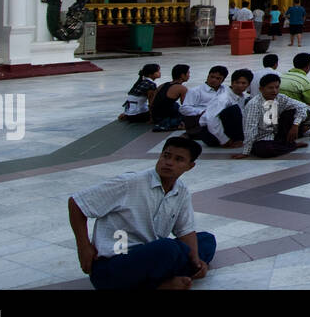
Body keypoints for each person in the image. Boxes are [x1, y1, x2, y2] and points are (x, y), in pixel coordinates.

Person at [68, 136, 216, 290]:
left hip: (147, 255)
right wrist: (83, 247)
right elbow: (77, 203)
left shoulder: (181, 191)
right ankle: (158, 284)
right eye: (166, 155)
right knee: (167, 248)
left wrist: (196, 261)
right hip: (114, 264)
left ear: (190, 166)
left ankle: (168, 274)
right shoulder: (130, 182)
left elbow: (185, 230)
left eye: (178, 159)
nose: (169, 162)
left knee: (206, 240)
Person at [234, 73, 310, 158]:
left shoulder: (280, 98)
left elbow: (302, 106)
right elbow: (250, 129)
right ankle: (290, 145)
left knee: (291, 112)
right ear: (261, 89)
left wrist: (295, 125)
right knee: (266, 151)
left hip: (277, 133)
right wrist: (246, 152)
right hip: (262, 138)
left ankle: (286, 144)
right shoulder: (254, 104)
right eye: (270, 88)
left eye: (277, 87)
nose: (274, 91)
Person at [189, 69, 252, 148]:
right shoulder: (223, 98)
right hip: (210, 134)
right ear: (232, 83)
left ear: (248, 85)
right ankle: (235, 139)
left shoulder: (241, 97)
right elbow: (212, 120)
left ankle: (238, 138)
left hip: (224, 128)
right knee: (234, 109)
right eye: (237, 82)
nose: (240, 85)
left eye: (243, 83)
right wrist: (224, 140)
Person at [278, 55, 310, 137]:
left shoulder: (281, 76)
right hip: (293, 113)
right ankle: (297, 131)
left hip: (276, 112)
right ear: (308, 66)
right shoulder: (305, 81)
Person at [179, 66, 227, 133]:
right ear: (208, 76)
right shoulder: (195, 91)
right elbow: (184, 109)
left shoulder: (226, 90)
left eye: (218, 78)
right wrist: (201, 112)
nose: (214, 80)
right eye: (212, 77)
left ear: (223, 80)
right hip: (200, 120)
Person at [150, 65, 190, 132]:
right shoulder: (182, 88)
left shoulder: (163, 85)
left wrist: (151, 118)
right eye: (188, 73)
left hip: (155, 117)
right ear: (182, 75)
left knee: (175, 104)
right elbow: (185, 107)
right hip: (165, 119)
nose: (189, 75)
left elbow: (151, 103)